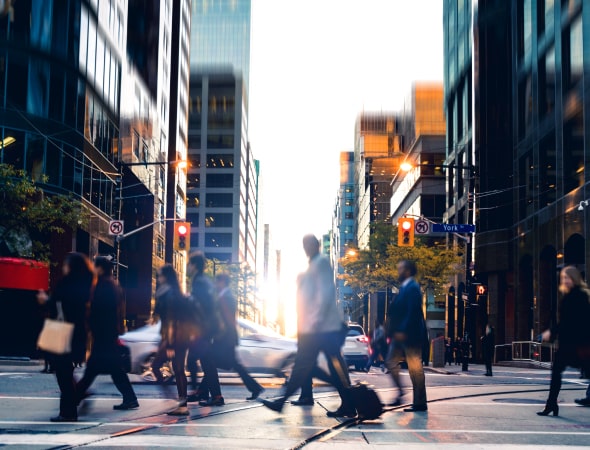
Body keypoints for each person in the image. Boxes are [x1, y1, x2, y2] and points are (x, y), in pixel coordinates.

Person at [262, 234, 354, 418]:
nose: (306, 247)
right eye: (304, 244)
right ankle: (283, 401)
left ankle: (349, 401)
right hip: (316, 328)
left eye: (309, 244)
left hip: (321, 328)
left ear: (317, 245)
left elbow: (325, 293)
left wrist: (314, 321)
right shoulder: (313, 264)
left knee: (321, 366)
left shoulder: (320, 263)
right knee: (308, 366)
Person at [37, 252, 95, 422]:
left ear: (72, 267)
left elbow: (60, 306)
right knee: (65, 371)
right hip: (76, 334)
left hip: (63, 332)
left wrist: (45, 300)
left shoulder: (68, 285)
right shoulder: (85, 285)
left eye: (66, 264)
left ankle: (69, 411)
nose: (63, 267)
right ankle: (73, 402)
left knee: (63, 372)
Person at [75, 256, 138, 411]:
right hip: (108, 334)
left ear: (101, 268)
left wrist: (91, 326)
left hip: (104, 334)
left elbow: (99, 311)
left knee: (93, 369)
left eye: (95, 266)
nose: (93, 269)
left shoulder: (103, 286)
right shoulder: (113, 285)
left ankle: (74, 397)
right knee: (114, 369)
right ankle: (130, 398)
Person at [537, 266, 590, 417]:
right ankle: (551, 404)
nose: (565, 281)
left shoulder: (579, 296)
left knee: (560, 371)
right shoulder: (571, 295)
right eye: (563, 278)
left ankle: (551, 404)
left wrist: (551, 332)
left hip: (579, 344)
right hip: (570, 344)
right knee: (556, 371)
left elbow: (570, 321)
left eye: (568, 278)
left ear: (575, 278)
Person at [202, 273, 264, 400]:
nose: (215, 284)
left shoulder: (227, 297)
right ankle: (255, 388)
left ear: (222, 282)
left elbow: (226, 320)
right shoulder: (224, 296)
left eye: (217, 282)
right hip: (226, 338)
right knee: (231, 365)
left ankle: (207, 393)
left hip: (225, 338)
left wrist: (217, 335)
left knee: (209, 361)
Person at [151, 264, 197, 416]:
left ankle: (175, 400)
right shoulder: (175, 293)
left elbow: (171, 320)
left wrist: (170, 343)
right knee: (178, 370)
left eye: (160, 275)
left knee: (156, 365)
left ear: (166, 277)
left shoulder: (168, 294)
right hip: (182, 337)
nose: (158, 278)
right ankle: (181, 404)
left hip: (174, 337)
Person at [385, 259, 428, 412]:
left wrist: (403, 330)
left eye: (400, 268)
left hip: (410, 334)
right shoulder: (404, 288)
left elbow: (412, 312)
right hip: (399, 334)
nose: (398, 271)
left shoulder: (413, 287)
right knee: (390, 361)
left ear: (408, 271)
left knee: (415, 368)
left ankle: (420, 402)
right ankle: (400, 391)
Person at [185, 251, 224, 407]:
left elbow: (200, 306)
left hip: (203, 328)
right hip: (209, 327)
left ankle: (214, 396)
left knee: (199, 360)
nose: (187, 266)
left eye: (188, 263)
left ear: (194, 265)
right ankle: (203, 392)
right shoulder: (205, 281)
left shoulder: (198, 282)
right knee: (206, 360)